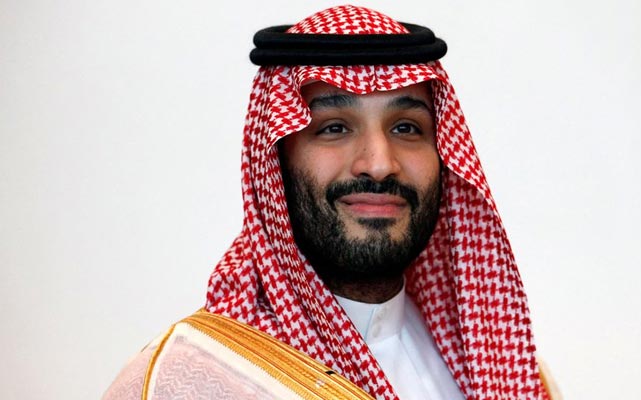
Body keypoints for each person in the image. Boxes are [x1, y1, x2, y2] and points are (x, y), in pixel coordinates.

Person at [103, 5, 559, 400]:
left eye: (406, 128)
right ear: (275, 163)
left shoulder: (503, 371)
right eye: (334, 128)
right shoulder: (189, 382)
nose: (380, 164)